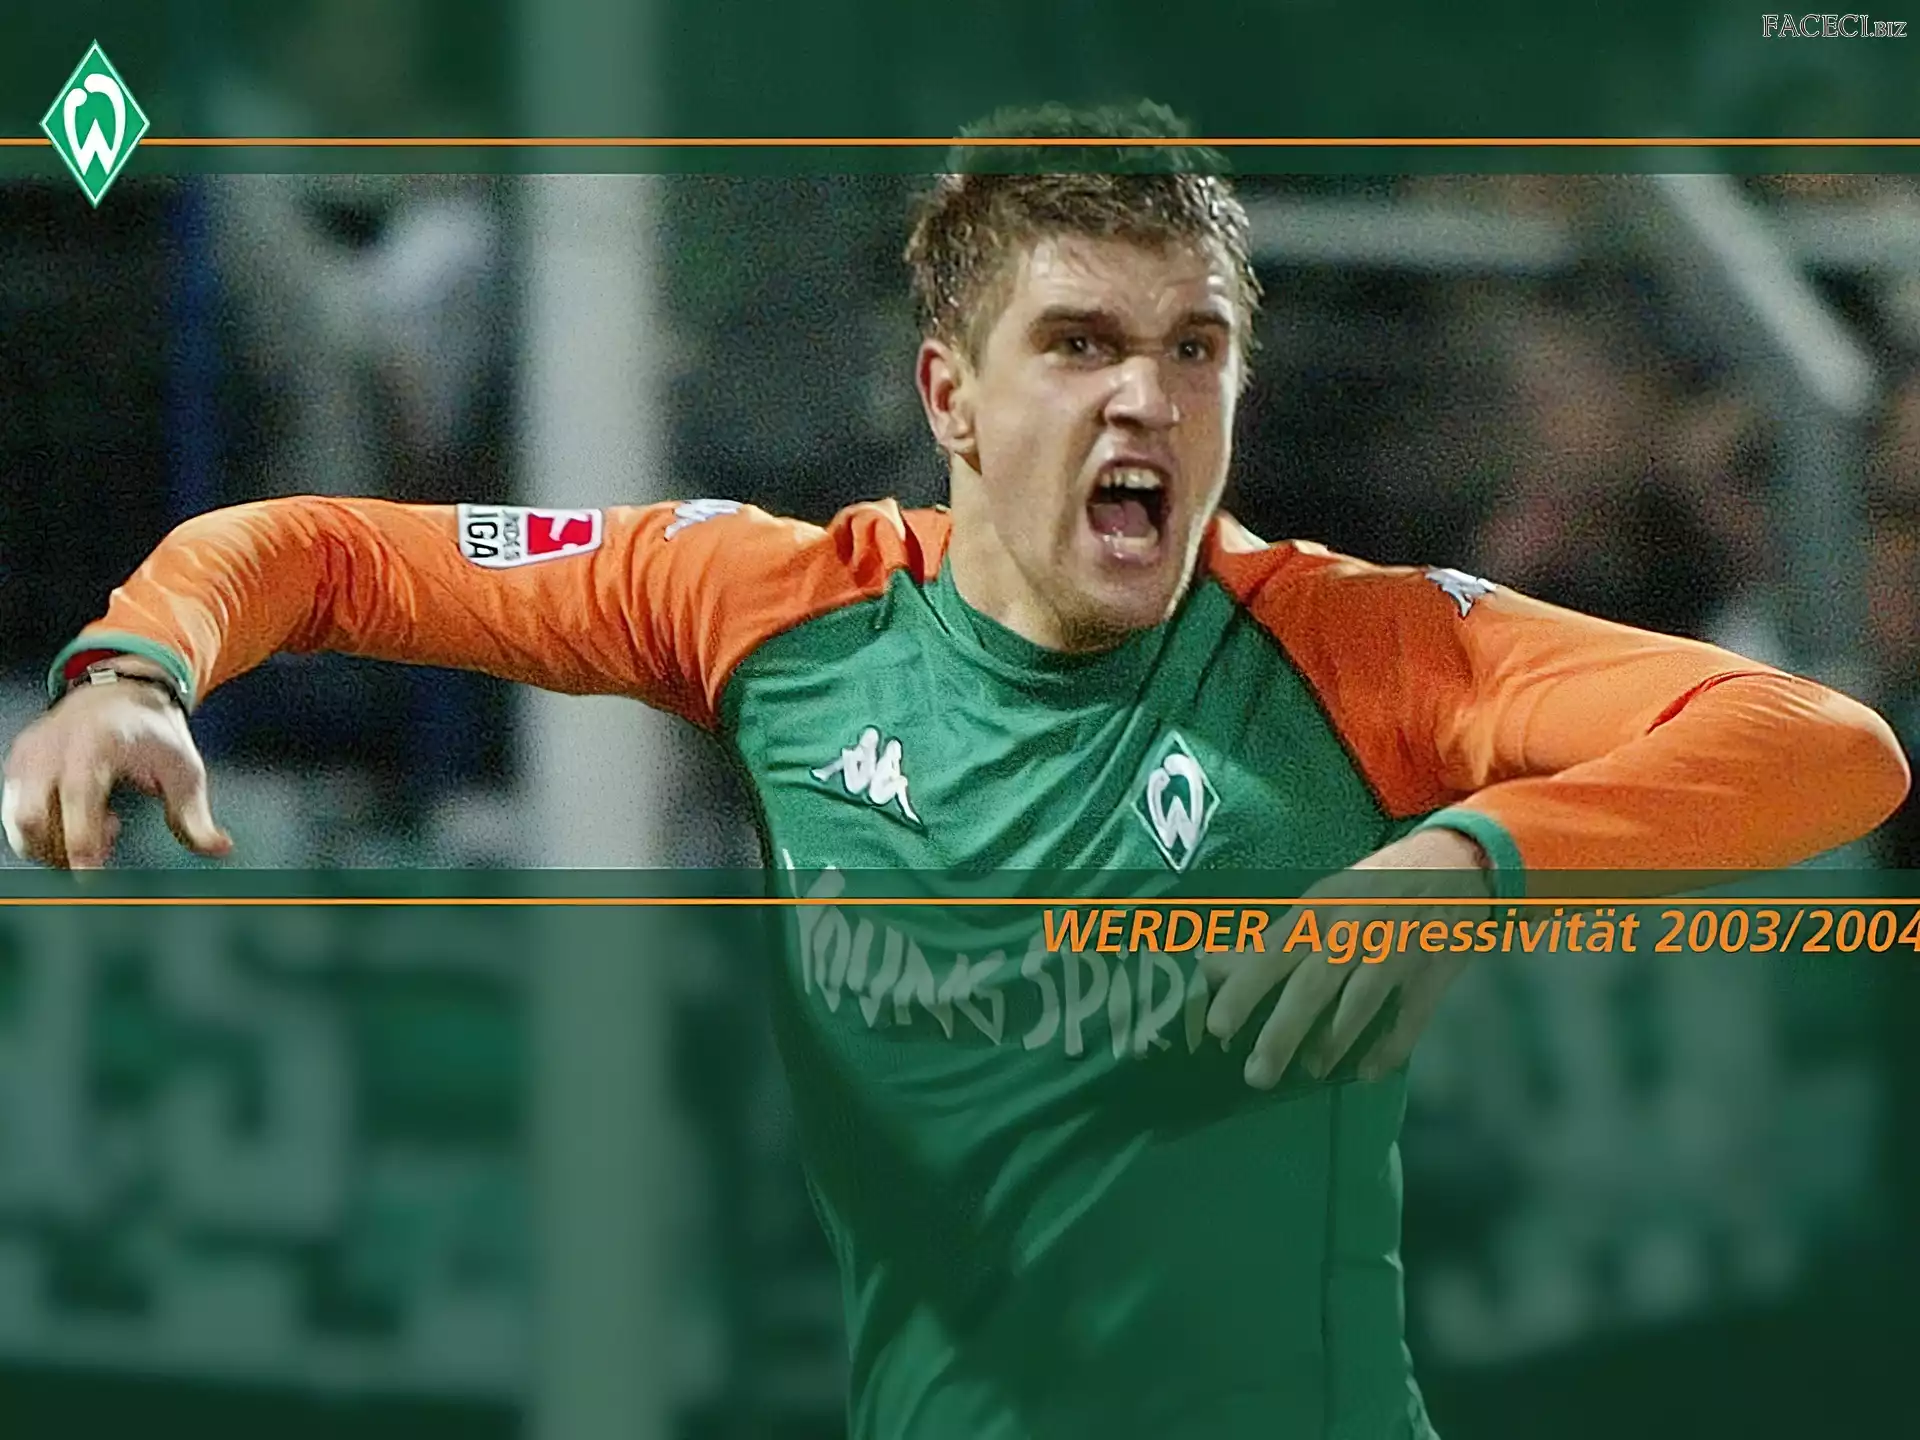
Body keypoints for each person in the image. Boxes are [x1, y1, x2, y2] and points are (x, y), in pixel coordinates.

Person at [2, 103, 1909, 1438]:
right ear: (951, 396)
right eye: (1079, 343)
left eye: (1194, 350)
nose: (1146, 397)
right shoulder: (773, 610)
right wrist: (133, 667)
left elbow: (1826, 750)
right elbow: (319, 550)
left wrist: (1464, 861)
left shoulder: (1354, 648)